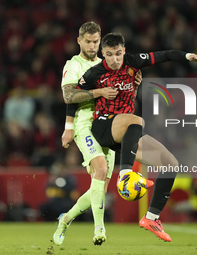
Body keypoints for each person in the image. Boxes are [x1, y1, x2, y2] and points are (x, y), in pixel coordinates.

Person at [67, 32, 197, 242]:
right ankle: (126, 174)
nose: (115, 59)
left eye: (119, 54)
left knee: (170, 164)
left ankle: (151, 217)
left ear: (124, 51)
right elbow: (72, 97)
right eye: (110, 55)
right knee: (137, 120)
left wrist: (187, 56)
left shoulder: (133, 62)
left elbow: (164, 54)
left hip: (127, 131)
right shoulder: (95, 73)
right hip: (103, 126)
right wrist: (92, 99)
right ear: (103, 54)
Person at [52, 21, 143, 246]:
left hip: (108, 124)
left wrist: (136, 85)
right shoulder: (73, 65)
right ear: (79, 41)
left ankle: (66, 219)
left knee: (99, 183)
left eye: (95, 42)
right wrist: (69, 127)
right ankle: (99, 229)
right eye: (88, 41)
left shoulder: (109, 63)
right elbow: (69, 96)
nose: (92, 46)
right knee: (101, 168)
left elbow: (124, 95)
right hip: (85, 124)